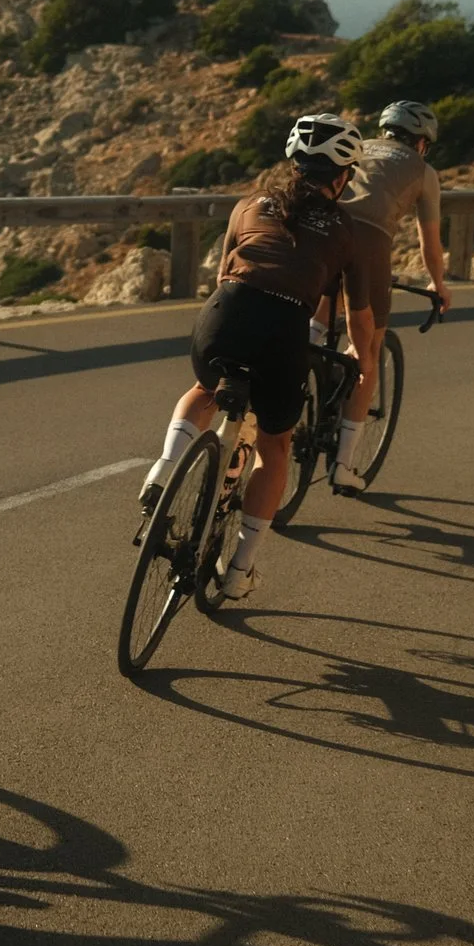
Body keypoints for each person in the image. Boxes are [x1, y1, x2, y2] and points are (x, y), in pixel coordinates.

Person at [137, 114, 361, 602]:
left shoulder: (248, 205)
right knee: (275, 447)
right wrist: (360, 353)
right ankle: (239, 569)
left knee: (203, 390)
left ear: (292, 164)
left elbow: (224, 275)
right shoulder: (345, 229)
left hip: (226, 313)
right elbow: (348, 307)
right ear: (342, 179)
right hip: (283, 334)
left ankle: (163, 468)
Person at [329, 98, 450, 493]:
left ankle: (306, 373)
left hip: (326, 232)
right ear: (422, 142)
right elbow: (430, 245)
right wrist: (438, 284)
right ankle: (344, 467)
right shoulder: (423, 171)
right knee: (370, 348)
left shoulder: (357, 149)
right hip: (370, 245)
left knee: (316, 321)